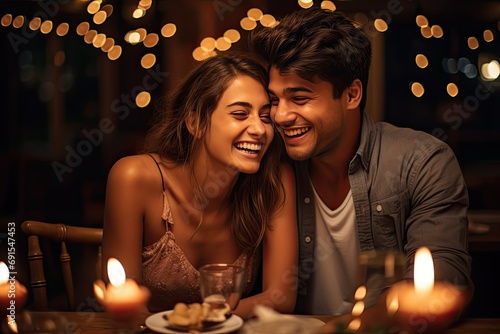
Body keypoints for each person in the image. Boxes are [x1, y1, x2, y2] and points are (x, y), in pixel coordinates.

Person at [249, 6, 473, 323]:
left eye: (299, 98)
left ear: (352, 94)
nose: (281, 116)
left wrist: (344, 329)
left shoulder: (423, 161)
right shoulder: (268, 164)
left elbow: (444, 283)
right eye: (274, 100)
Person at [101, 53, 298, 319]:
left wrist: (200, 320)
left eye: (265, 117)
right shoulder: (133, 178)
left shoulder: (274, 180)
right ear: (194, 123)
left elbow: (282, 297)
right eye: (240, 114)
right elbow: (124, 302)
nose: (260, 130)